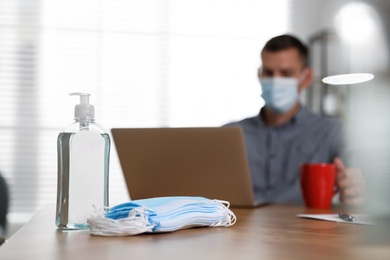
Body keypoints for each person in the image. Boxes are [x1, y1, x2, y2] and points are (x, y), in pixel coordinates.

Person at [225, 34, 365, 205]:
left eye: (286, 73)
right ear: (260, 75)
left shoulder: (333, 131)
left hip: (307, 230)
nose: (276, 80)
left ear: (306, 77)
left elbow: (360, 181)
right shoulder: (228, 134)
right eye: (269, 73)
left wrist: (355, 189)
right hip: (240, 229)